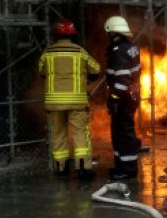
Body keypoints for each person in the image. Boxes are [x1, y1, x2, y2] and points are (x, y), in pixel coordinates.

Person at [38, 20, 101, 179]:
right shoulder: (80, 52)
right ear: (74, 36)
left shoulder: (47, 53)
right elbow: (96, 69)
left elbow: (41, 71)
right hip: (76, 102)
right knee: (80, 133)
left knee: (58, 133)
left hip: (54, 103)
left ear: (55, 35)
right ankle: (82, 168)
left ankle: (61, 167)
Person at [104, 15, 142, 179]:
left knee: (123, 133)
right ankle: (121, 166)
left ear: (112, 33)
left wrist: (113, 99)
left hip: (123, 99)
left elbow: (121, 80)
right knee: (122, 132)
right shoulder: (131, 48)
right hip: (131, 96)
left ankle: (127, 169)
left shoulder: (118, 51)